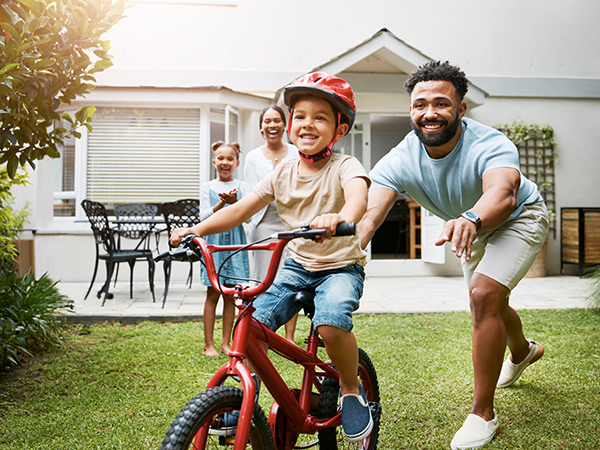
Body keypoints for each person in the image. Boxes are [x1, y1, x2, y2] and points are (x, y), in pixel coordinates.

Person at [171, 72, 373, 442]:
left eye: (320, 117)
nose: (307, 123)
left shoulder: (345, 166)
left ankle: (348, 386)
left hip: (339, 267)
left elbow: (359, 198)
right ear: (290, 123)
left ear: (339, 130)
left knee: (330, 322)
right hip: (296, 266)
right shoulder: (283, 173)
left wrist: (341, 218)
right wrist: (196, 230)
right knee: (251, 326)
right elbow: (239, 211)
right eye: (300, 115)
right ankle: (240, 402)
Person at [359, 61, 549, 449]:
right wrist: (350, 244)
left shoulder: (490, 143)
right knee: (490, 302)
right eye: (420, 104)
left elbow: (503, 192)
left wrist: (471, 218)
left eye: (441, 104)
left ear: (461, 109)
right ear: (411, 109)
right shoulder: (401, 157)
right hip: (470, 225)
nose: (429, 113)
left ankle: (483, 414)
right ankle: (523, 350)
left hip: (517, 217)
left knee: (483, 296)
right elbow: (371, 213)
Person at [244, 105, 299, 342]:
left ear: (284, 125)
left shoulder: (297, 153)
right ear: (261, 127)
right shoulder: (253, 157)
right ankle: (262, 331)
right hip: (264, 223)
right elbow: (252, 193)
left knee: (292, 276)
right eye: (267, 121)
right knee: (262, 279)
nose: (272, 125)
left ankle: (288, 337)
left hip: (292, 223)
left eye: (276, 120)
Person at [199, 141, 250, 357]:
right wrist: (222, 204)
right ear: (214, 162)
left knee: (232, 295)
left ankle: (225, 343)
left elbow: (248, 217)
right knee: (213, 293)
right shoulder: (207, 187)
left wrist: (236, 202)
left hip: (235, 246)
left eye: (230, 159)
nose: (225, 162)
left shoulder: (243, 187)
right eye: (221, 158)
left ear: (236, 163)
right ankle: (208, 344)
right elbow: (202, 218)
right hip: (215, 246)